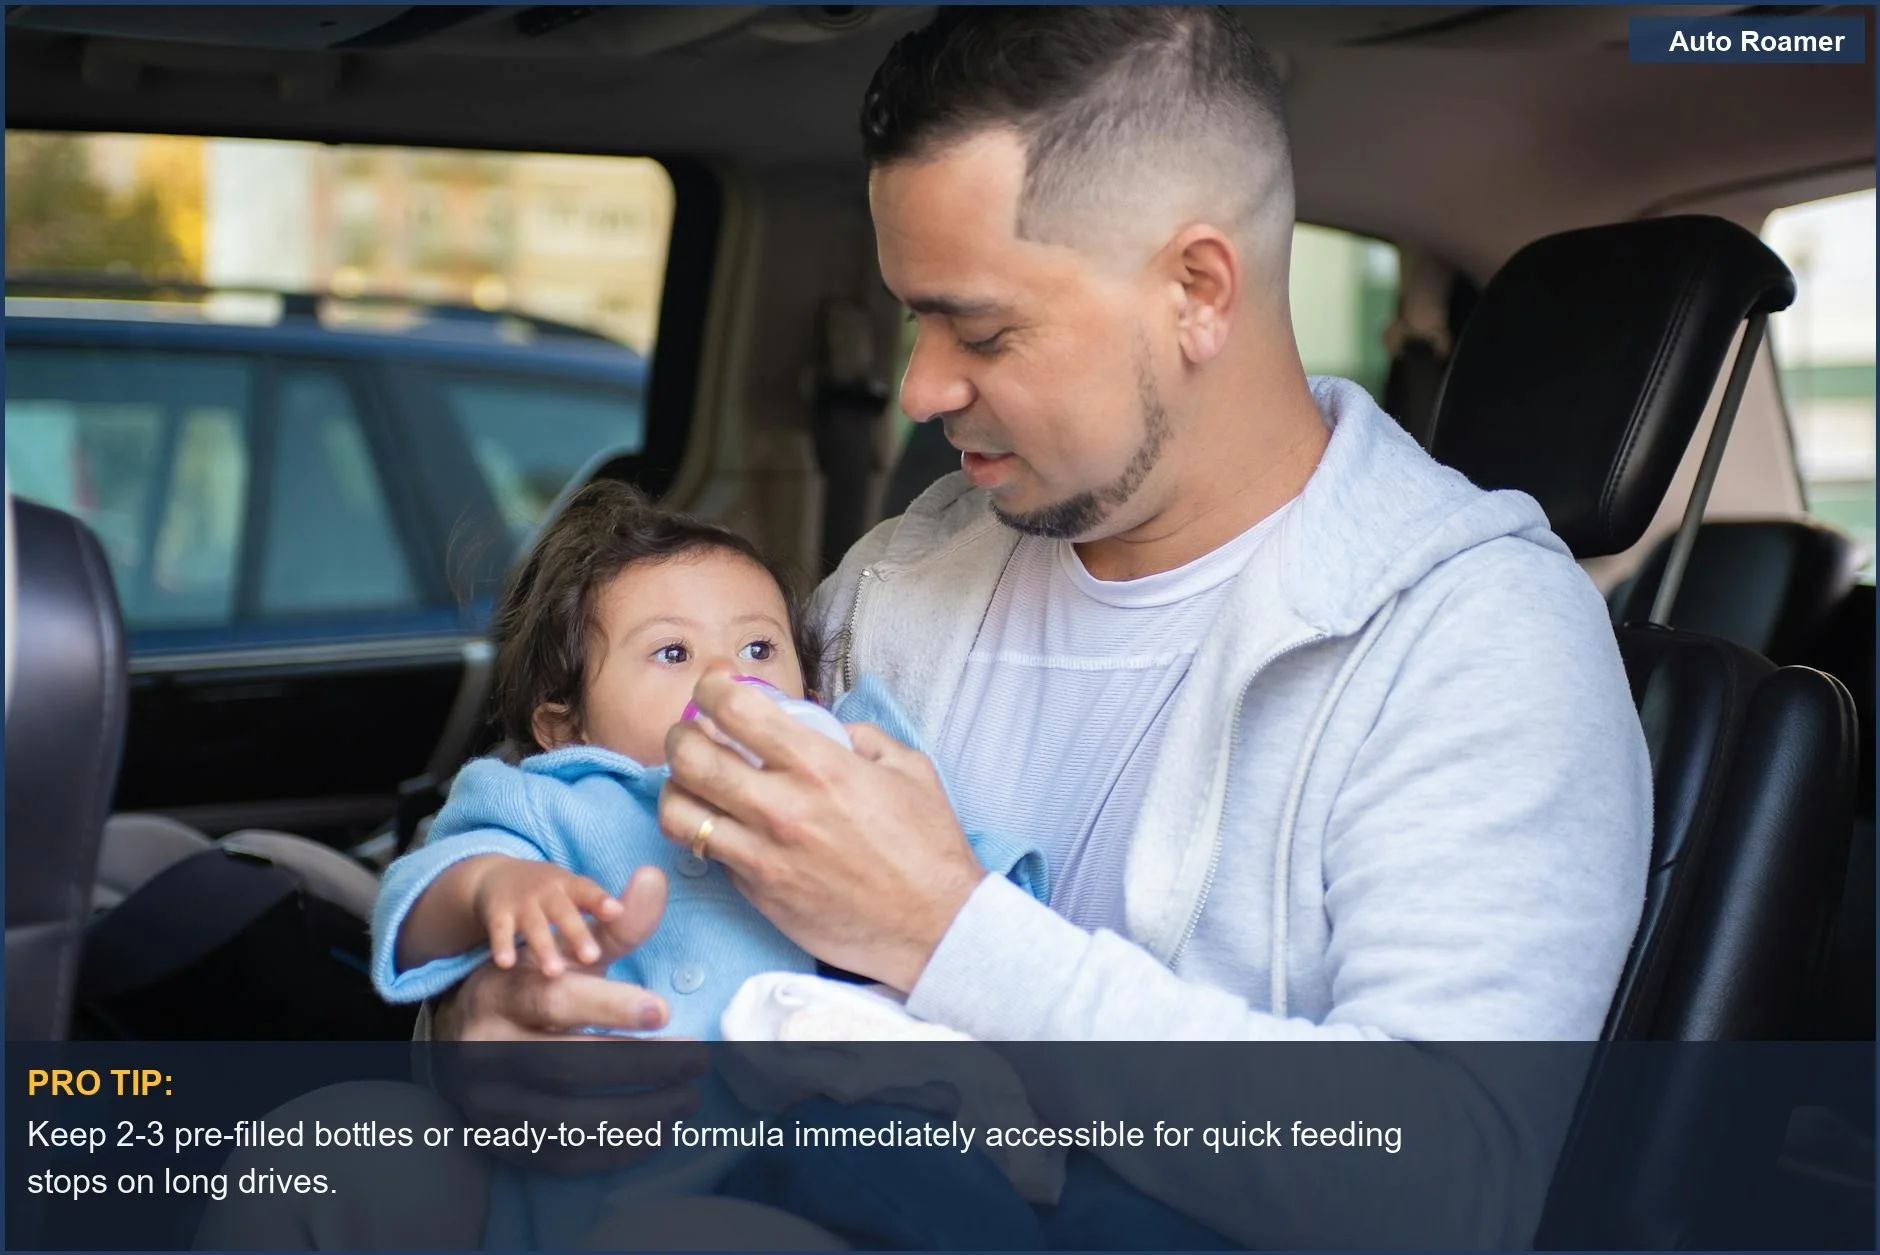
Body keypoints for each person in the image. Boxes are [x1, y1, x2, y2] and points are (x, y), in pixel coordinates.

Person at [216, 7, 1650, 1249]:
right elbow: (654, 878)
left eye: (982, 330)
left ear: (1197, 290)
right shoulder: (906, 580)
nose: (918, 388)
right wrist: (485, 1032)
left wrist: (945, 929)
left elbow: (1440, 1184)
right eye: (912, 322)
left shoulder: (1470, 636)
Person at [370, 477, 1046, 1036]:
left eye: (758, 649)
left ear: (809, 691)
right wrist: (488, 888)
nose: (728, 676)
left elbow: (977, 902)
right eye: (673, 653)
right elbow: (413, 908)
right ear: (564, 726)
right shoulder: (551, 800)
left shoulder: (850, 773)